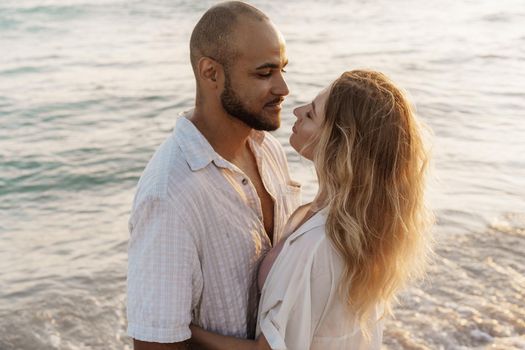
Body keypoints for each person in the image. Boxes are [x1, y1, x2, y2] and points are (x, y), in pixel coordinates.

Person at [189, 70, 433, 350]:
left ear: (339, 143)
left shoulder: (320, 244)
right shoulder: (360, 225)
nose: (297, 110)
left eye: (312, 115)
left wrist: (181, 329)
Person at [126, 2, 300, 349]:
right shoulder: (170, 195)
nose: (283, 88)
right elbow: (154, 346)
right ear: (211, 73)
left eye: (282, 69)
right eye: (264, 73)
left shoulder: (268, 150)